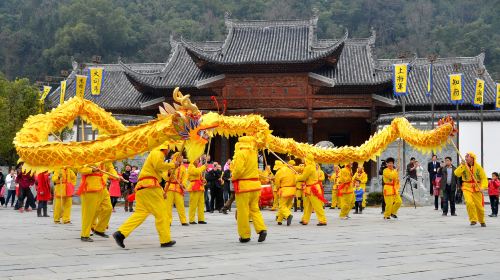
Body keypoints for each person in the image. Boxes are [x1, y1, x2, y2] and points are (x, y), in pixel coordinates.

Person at [113, 145, 179, 248]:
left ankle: (121, 233)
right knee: (162, 214)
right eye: (169, 148)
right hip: (150, 187)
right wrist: (172, 164)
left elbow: (162, 175)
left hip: (144, 187)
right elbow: (159, 166)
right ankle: (165, 240)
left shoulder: (155, 155)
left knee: (140, 213)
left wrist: (170, 170)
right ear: (165, 147)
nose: (170, 150)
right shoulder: (158, 153)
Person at [231, 136, 267, 243]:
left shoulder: (241, 153)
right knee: (255, 209)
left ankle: (245, 235)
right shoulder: (253, 153)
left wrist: (233, 177)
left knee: (243, 212)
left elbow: (238, 170)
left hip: (244, 186)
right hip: (255, 185)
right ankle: (261, 229)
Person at [78, 162, 119, 242]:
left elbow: (110, 168)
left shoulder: (106, 157)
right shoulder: (87, 155)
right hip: (90, 187)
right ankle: (84, 235)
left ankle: (99, 229)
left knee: (108, 208)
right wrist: (92, 169)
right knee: (89, 213)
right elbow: (81, 168)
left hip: (102, 187)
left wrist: (115, 176)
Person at [454, 152, 488, 227]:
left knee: (479, 207)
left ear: (472, 158)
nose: (465, 158)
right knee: (469, 202)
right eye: (465, 157)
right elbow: (456, 173)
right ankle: (473, 219)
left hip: (477, 188)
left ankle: (482, 220)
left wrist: (483, 187)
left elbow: (484, 178)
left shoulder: (478, 167)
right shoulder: (463, 165)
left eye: (467, 157)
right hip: (467, 187)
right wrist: (462, 166)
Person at [299, 154, 327, 226]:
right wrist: (293, 167)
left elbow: (303, 177)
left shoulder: (309, 167)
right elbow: (301, 169)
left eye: (304, 158)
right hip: (309, 188)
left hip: (313, 189)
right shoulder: (310, 166)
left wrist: (296, 178)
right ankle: (305, 220)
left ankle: (322, 220)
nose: (303, 159)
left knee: (317, 205)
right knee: (307, 206)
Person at [164, 152, 188, 226]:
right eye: (180, 157)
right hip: (170, 187)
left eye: (182, 157)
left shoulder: (183, 167)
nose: (182, 158)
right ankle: (168, 221)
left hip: (178, 188)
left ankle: (183, 221)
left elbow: (185, 177)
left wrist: (183, 184)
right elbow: (164, 176)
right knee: (168, 205)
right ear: (176, 157)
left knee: (181, 205)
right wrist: (168, 173)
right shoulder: (169, 165)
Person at [274, 160, 296, 226]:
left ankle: (288, 215)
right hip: (292, 190)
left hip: (285, 190)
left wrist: (278, 188)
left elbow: (277, 183)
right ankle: (279, 220)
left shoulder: (279, 172)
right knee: (285, 206)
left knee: (281, 206)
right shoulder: (290, 169)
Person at [187, 157, 207, 224]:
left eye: (198, 159)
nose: (198, 160)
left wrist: (203, 180)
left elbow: (199, 176)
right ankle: (191, 219)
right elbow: (196, 172)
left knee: (201, 204)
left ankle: (201, 219)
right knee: (193, 204)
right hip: (194, 186)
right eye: (197, 159)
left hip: (200, 186)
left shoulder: (198, 167)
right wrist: (204, 166)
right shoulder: (190, 166)